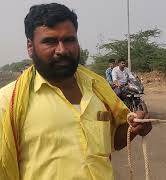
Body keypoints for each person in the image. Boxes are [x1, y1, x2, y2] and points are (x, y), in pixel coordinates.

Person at [0, 3, 151, 180]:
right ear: (30, 46)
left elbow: (111, 142)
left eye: (69, 40)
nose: (62, 50)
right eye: (50, 41)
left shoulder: (99, 90)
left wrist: (133, 129)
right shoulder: (7, 103)